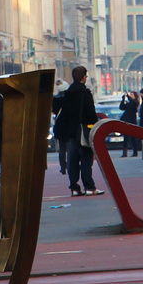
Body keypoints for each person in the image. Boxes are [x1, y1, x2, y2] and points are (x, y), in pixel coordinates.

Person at [52, 66, 99, 196]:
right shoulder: (85, 93)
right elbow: (91, 114)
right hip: (83, 131)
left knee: (72, 159)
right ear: (84, 77)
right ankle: (89, 187)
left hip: (71, 132)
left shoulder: (68, 93)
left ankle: (74, 188)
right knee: (86, 159)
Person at [119, 91, 141, 157]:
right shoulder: (129, 103)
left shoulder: (135, 103)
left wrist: (128, 96)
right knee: (125, 138)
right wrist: (123, 99)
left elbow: (134, 103)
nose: (130, 95)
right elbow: (122, 107)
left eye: (132, 94)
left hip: (132, 122)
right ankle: (124, 153)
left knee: (132, 138)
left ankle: (135, 152)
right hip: (126, 121)